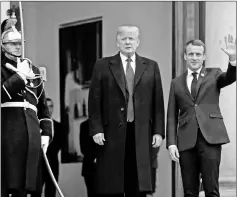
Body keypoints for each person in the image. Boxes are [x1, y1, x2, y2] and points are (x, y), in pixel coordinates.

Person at [88, 25, 165, 197]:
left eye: (131, 38)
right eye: (124, 38)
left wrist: (158, 131)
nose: (128, 42)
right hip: (110, 134)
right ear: (117, 42)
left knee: (137, 185)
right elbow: (94, 101)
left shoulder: (151, 66)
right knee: (112, 184)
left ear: (138, 42)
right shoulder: (102, 65)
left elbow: (158, 102)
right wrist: (96, 128)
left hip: (141, 133)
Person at [166, 38, 236, 197]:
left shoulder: (214, 74)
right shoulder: (176, 83)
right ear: (185, 56)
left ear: (204, 57)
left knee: (211, 190)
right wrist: (171, 143)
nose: (194, 57)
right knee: (190, 192)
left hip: (210, 138)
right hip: (186, 141)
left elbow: (230, 77)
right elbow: (171, 115)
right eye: (191, 54)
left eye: (198, 54)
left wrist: (232, 59)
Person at [1, 11, 52, 197]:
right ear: (2, 45)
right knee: (11, 182)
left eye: (20, 42)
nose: (17, 46)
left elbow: (42, 107)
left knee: (32, 185)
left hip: (32, 135)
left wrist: (46, 132)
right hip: (8, 132)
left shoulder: (34, 69)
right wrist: (20, 77)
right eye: (12, 43)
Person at [39, 98, 63, 197]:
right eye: (46, 106)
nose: (49, 109)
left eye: (51, 106)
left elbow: (60, 143)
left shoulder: (60, 126)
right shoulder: (37, 125)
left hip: (53, 164)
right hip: (39, 165)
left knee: (51, 192)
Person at [80, 119, 96, 197]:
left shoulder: (107, 123)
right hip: (89, 166)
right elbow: (83, 148)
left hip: (105, 167)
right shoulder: (84, 125)